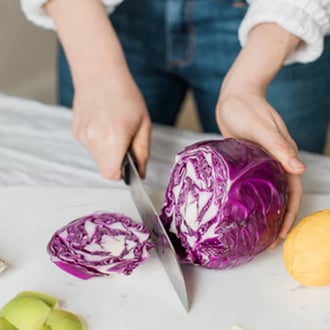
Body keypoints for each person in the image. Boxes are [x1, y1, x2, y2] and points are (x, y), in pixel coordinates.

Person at [20, 0, 330, 243]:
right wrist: (95, 67)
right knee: (98, 173)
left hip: (272, 19)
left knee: (279, 196)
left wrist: (247, 85)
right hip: (102, 14)